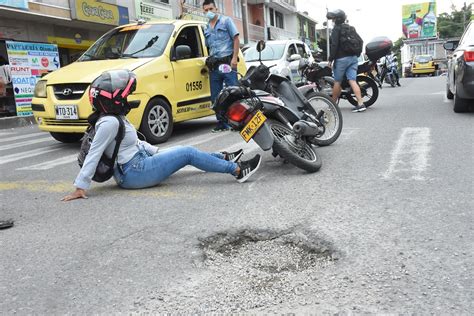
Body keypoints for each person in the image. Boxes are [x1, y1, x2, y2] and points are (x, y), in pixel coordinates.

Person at [62, 70, 262, 202]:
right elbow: (94, 154)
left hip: (140, 163)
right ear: (112, 101)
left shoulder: (115, 118)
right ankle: (236, 170)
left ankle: (223, 157)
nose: (127, 98)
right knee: (187, 153)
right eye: (123, 96)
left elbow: (136, 143)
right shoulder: (109, 123)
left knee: (181, 153)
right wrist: (80, 186)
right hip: (134, 172)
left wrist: (162, 153)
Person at [203, 0, 240, 132]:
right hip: (215, 66)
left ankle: (237, 121)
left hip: (228, 63)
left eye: (211, 9)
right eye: (206, 10)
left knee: (232, 92)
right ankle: (222, 123)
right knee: (216, 96)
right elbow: (208, 47)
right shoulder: (206, 27)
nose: (209, 12)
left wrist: (234, 58)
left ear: (216, 9)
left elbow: (236, 38)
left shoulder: (226, 21)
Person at [326, 9, 366, 113]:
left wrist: (330, 59)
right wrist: (356, 54)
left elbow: (334, 45)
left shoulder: (336, 29)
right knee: (352, 80)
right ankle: (361, 104)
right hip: (353, 58)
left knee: (337, 82)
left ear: (337, 19)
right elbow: (360, 41)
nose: (332, 20)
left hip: (341, 59)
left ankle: (333, 105)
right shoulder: (350, 28)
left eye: (333, 18)